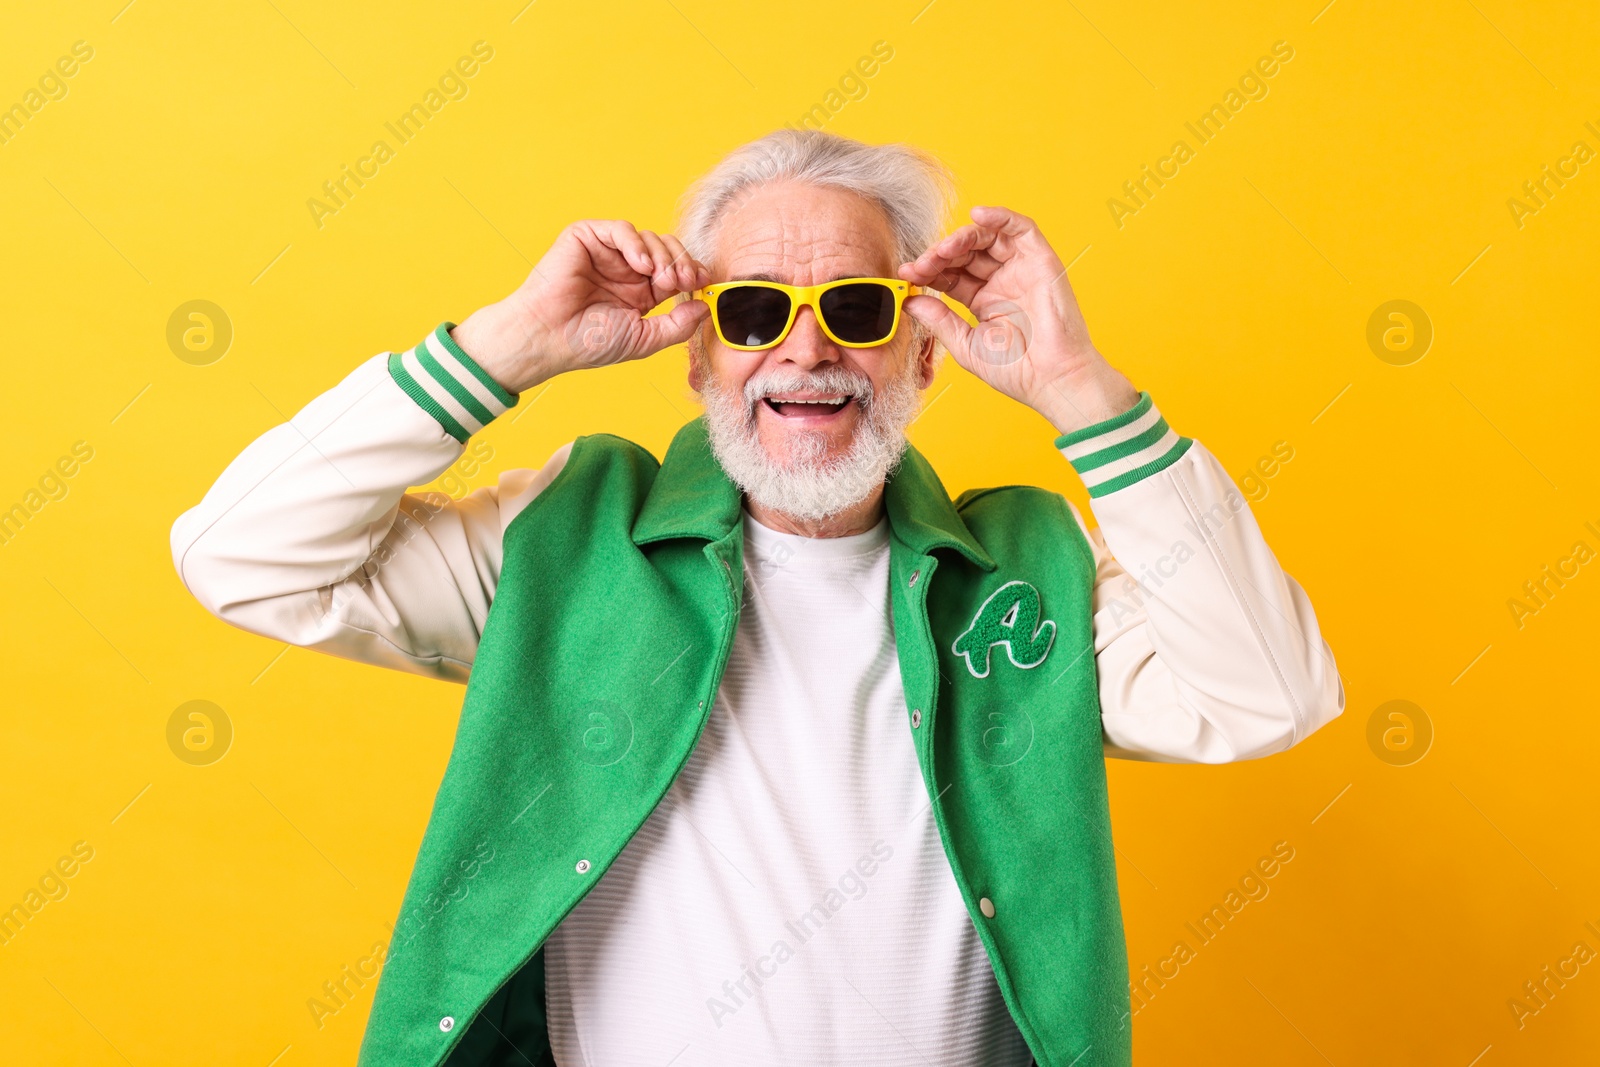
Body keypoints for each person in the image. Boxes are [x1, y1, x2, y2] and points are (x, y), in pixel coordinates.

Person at [172, 129, 1343, 1067]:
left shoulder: (1026, 570)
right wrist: (506, 345)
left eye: (858, 308)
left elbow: (1268, 695)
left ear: (924, 354)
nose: (804, 348)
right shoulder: (567, 543)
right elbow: (241, 554)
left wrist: (1085, 394)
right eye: (751, 310)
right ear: (696, 354)